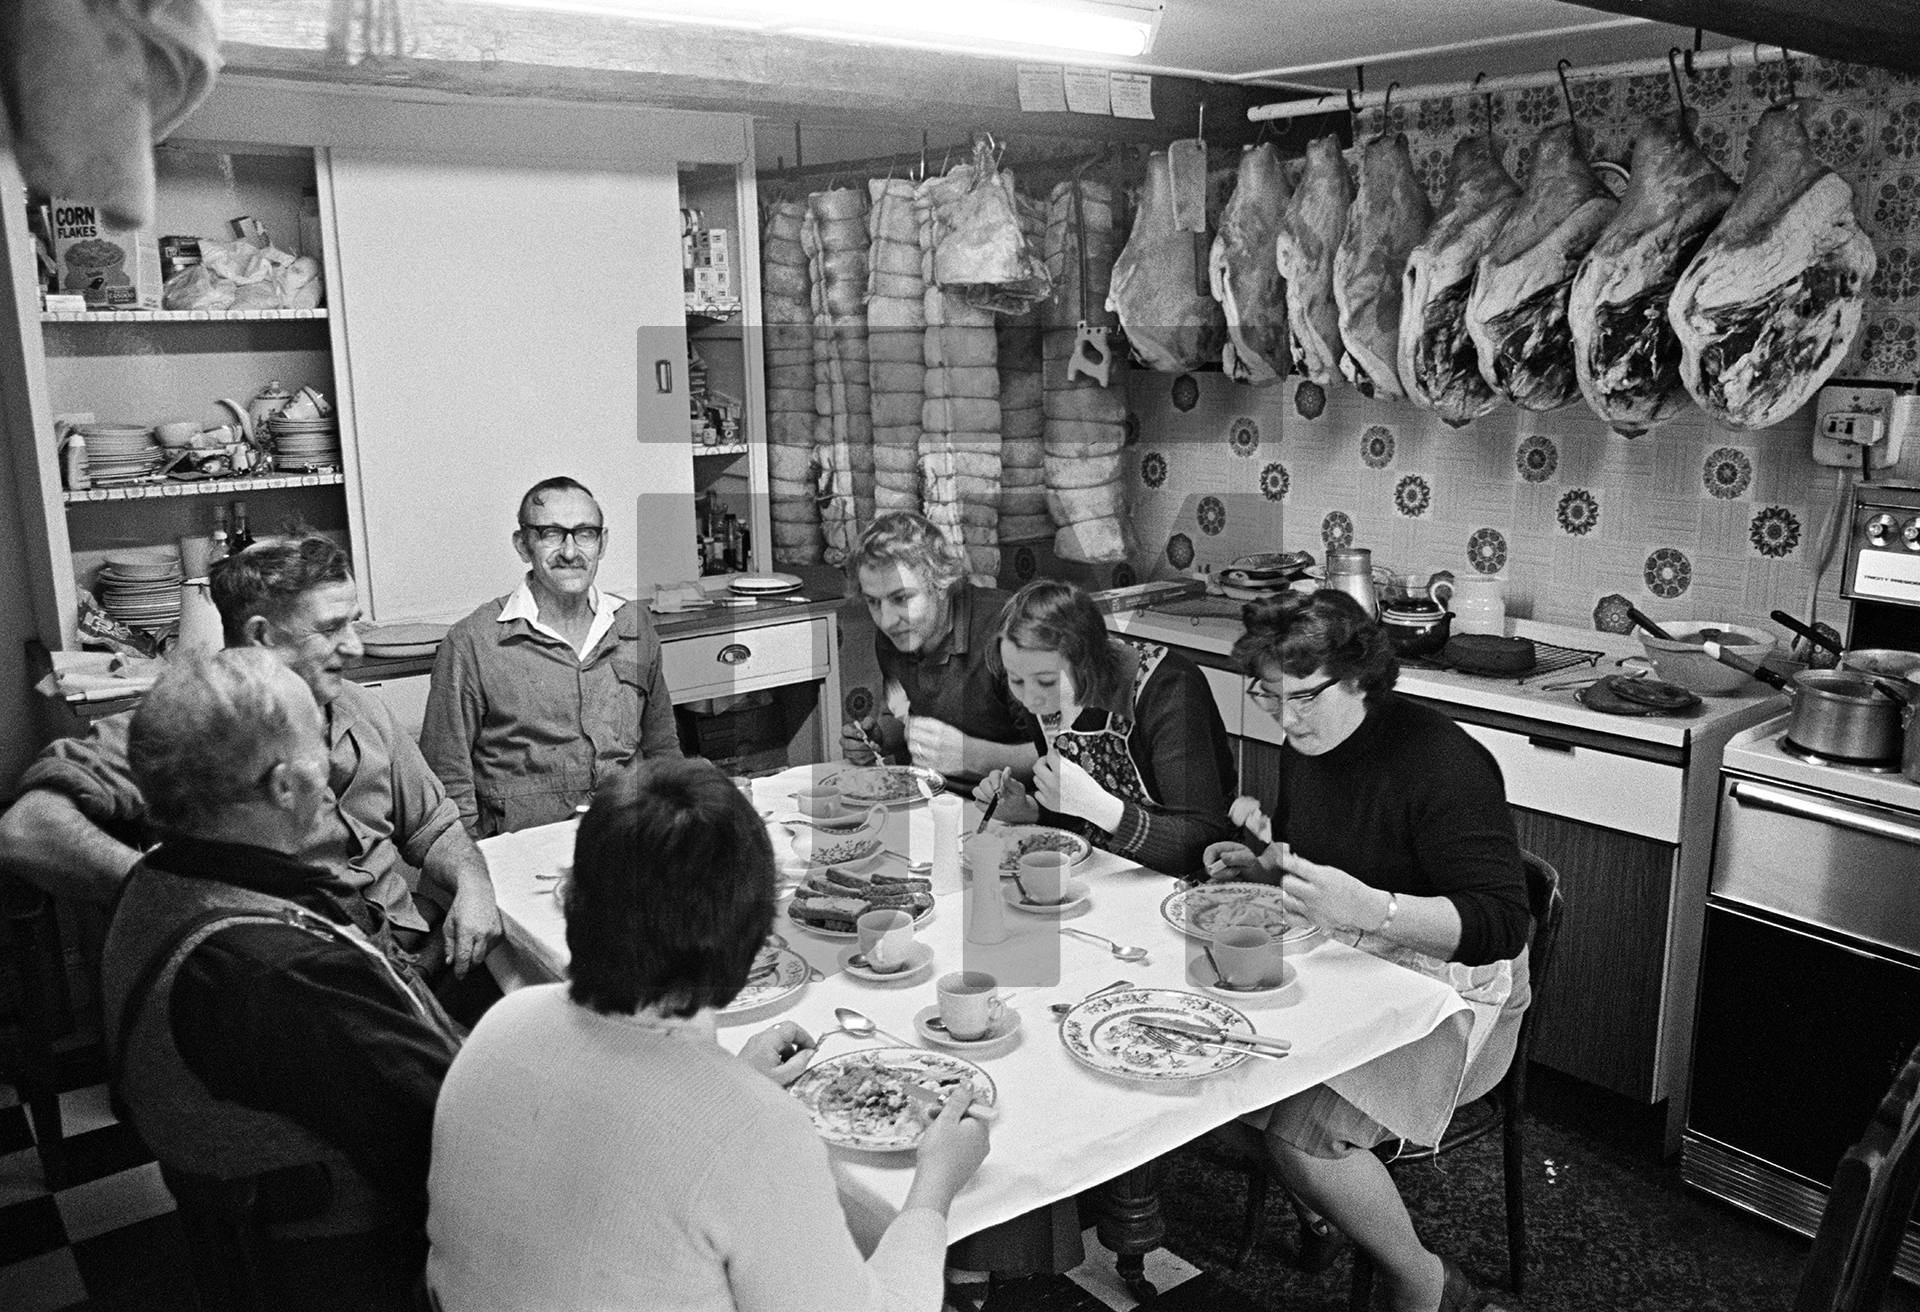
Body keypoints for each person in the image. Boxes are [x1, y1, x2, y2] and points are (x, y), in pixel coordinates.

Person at [424, 756, 991, 1311]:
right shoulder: (757, 1131)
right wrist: (933, 1190)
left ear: (573, 897)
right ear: (750, 942)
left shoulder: (501, 1026)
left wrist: (731, 1083)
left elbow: (629, 1145)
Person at [101, 648, 464, 1310]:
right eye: (319, 745)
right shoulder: (274, 972)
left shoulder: (162, 878)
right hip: (344, 1272)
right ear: (284, 786)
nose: (332, 773)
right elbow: (455, 1141)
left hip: (245, 1256)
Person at [1203, 590, 1531, 1312]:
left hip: (1457, 990)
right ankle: (1331, 1211)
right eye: (1268, 695)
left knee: (1301, 1135)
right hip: (1359, 954)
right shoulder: (1311, 737)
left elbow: (1504, 923)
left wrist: (1376, 909)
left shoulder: (1443, 763)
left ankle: (1425, 1280)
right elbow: (1324, 850)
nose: (1286, 719)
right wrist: (1266, 863)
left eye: (1305, 698)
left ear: (1359, 676)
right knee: (1214, 1077)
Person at [0, 535, 502, 985]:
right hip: (293, 984)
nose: (354, 646)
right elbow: (27, 830)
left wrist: (474, 886)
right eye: (330, 629)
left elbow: (436, 829)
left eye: (353, 622)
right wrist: (166, 895)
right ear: (261, 635)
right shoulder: (187, 722)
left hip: (409, 959)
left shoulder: (360, 706)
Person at [420, 476, 680, 838]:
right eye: (551, 534)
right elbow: (447, 779)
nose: (570, 552)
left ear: (602, 543)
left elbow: (662, 749)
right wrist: (473, 867)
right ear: (523, 544)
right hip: (525, 851)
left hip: (629, 839)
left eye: (585, 533)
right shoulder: (473, 642)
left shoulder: (633, 626)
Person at [973, 578, 1238, 876]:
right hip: (1103, 872)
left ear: (1086, 662)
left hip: (1183, 888)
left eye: (1046, 681)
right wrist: (1031, 810)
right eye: (1015, 680)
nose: (1030, 701)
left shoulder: (1169, 690)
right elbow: (1078, 820)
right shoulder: (1039, 691)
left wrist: (1100, 808)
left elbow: (1206, 842)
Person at [841, 511, 1035, 787]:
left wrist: (972, 757)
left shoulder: (1012, 632)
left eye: (901, 598)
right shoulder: (895, 632)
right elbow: (903, 712)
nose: (886, 620)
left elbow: (1064, 756)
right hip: (932, 801)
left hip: (1018, 817)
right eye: (873, 602)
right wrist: (879, 738)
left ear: (941, 583)